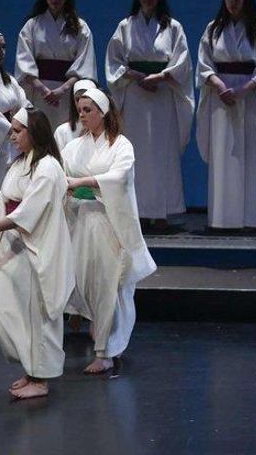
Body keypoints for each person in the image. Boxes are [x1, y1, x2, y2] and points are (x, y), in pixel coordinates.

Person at [62, 88, 156, 375]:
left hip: (109, 224)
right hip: (82, 222)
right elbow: (61, 175)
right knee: (87, 281)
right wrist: (70, 186)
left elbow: (119, 177)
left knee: (110, 286)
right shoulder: (74, 147)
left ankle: (105, 351)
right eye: (80, 109)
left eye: (88, 109)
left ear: (102, 112)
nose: (82, 114)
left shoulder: (121, 145)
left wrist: (82, 181)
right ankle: (96, 329)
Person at [0, 107, 74, 399]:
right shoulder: (20, 163)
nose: (12, 136)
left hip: (37, 248)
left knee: (39, 312)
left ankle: (41, 378)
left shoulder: (48, 167)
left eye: (17, 130)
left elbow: (30, 212)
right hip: (14, 244)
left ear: (33, 132)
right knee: (2, 309)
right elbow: (2, 199)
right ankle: (30, 368)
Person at [106, 0, 194, 233]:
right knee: (136, 153)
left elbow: (182, 61)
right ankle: (138, 212)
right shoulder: (125, 26)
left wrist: (161, 75)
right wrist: (135, 75)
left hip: (161, 95)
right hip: (135, 96)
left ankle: (161, 213)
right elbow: (114, 61)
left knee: (162, 154)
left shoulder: (173, 27)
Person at [196, 0, 256, 231]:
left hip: (249, 99)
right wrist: (221, 87)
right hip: (222, 99)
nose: (232, 3)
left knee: (250, 154)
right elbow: (204, 64)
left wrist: (243, 90)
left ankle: (252, 218)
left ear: (245, 0)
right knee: (224, 155)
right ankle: (222, 217)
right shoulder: (213, 29)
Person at [16, 0, 97, 129]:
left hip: (67, 94)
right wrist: (44, 90)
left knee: (66, 135)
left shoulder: (80, 27)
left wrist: (61, 90)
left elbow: (84, 65)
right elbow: (24, 62)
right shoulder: (32, 26)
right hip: (39, 93)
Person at [0, 28, 30, 199]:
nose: (2, 52)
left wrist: (29, 120)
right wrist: (11, 128)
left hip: (12, 142)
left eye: (4, 47)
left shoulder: (8, 80)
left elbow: (23, 103)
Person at [53, 78, 97, 151]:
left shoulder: (105, 131)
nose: (82, 103)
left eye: (86, 98)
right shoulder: (62, 131)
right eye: (77, 99)